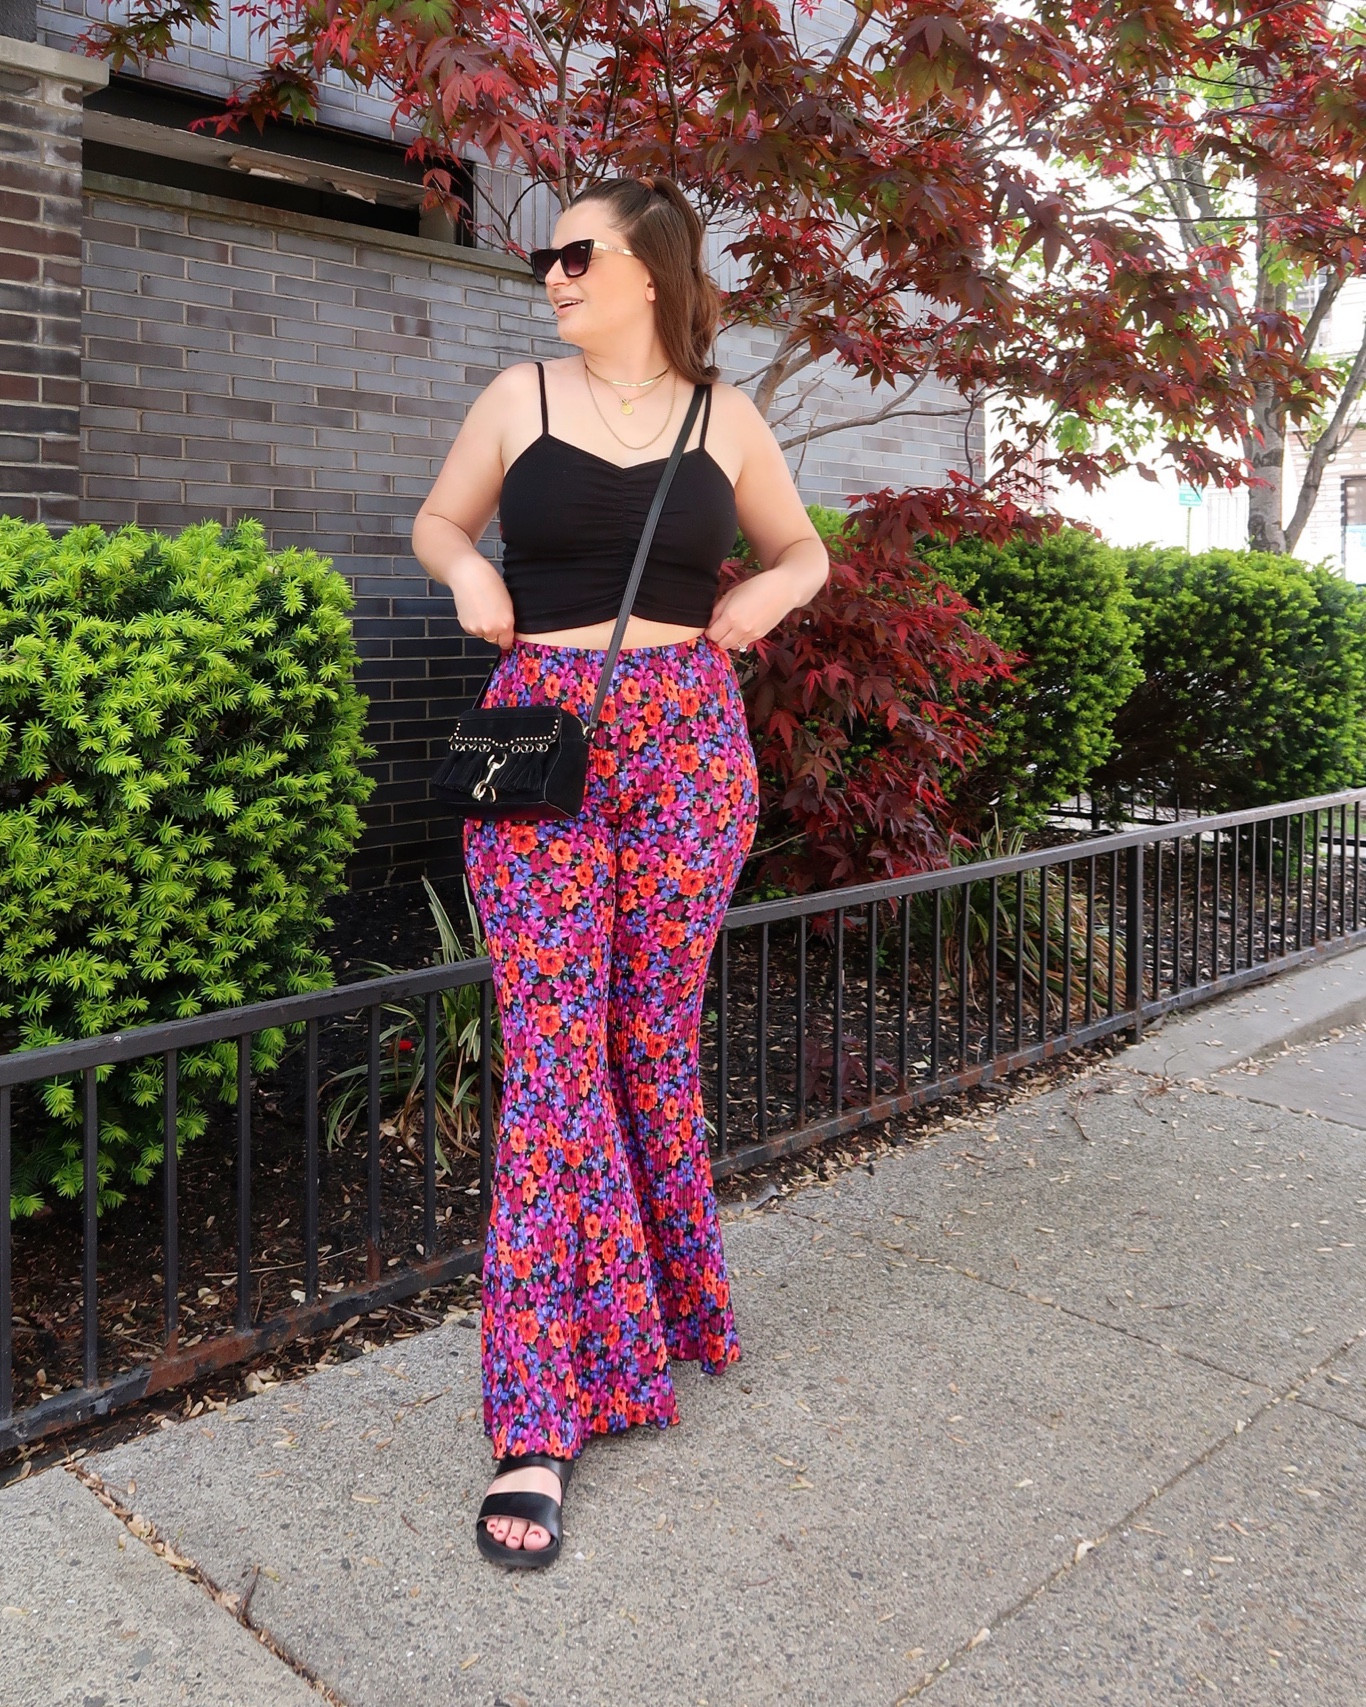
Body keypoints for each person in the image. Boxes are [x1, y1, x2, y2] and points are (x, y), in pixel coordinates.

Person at [412, 174, 828, 1568]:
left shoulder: (729, 418)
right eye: (546, 257)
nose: (553, 274)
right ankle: (538, 1415)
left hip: (693, 747)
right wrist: (467, 574)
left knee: (648, 1045)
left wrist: (766, 593)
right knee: (549, 1057)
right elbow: (437, 522)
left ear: (651, 271)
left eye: (577, 253)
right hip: (543, 737)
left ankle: (662, 1315)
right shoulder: (516, 400)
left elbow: (801, 546)